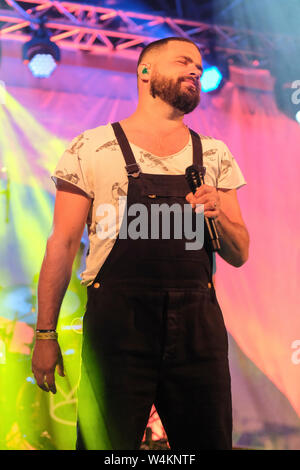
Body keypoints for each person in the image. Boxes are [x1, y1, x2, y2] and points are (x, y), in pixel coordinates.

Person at [31, 37, 249, 450]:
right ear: (145, 72)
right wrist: (45, 334)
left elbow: (240, 253)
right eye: (184, 61)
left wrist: (220, 212)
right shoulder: (90, 147)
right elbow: (60, 245)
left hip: (197, 329)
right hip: (118, 326)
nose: (196, 72)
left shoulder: (215, 154)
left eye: (200, 69)